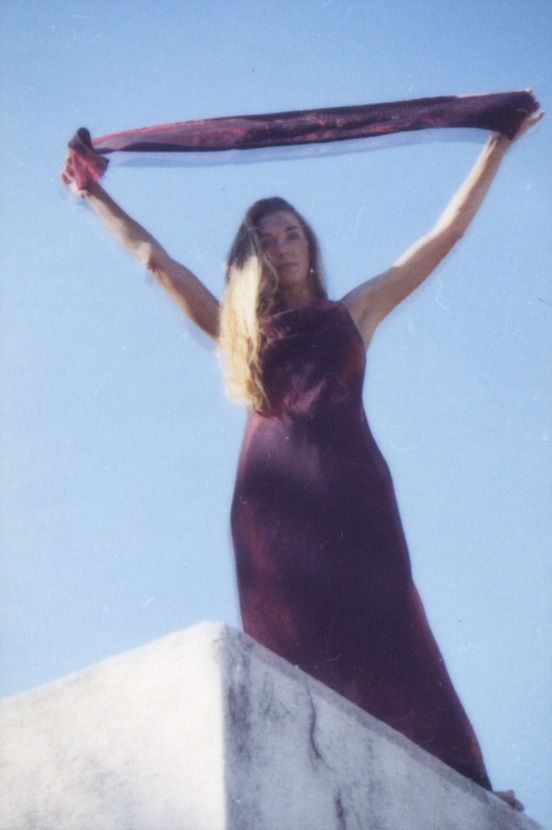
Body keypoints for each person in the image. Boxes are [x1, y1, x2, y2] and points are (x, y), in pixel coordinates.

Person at [62, 110, 542, 807]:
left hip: (354, 497)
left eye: (292, 235)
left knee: (392, 624)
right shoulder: (240, 333)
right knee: (297, 651)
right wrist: (92, 193)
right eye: (268, 239)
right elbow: (154, 261)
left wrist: (495, 144)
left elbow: (444, 235)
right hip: (272, 509)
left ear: (309, 247)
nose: (283, 247)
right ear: (253, 255)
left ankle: (466, 790)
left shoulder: (354, 313)